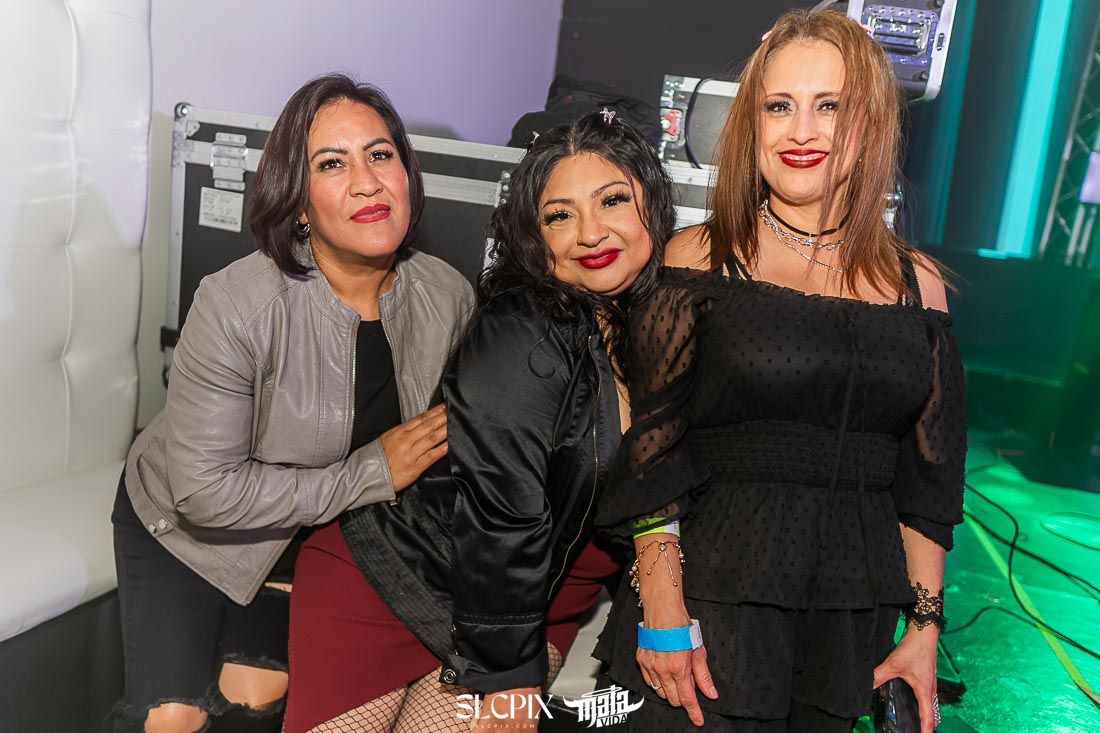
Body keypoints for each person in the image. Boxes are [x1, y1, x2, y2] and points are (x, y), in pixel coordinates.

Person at [594, 9, 966, 733]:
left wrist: (923, 630)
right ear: (752, 124)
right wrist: (663, 609)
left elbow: (929, 482)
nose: (801, 131)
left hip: (849, 616)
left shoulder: (918, 286)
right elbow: (651, 450)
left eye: (829, 106)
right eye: (779, 106)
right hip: (711, 600)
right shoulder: (698, 259)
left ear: (870, 123)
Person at [283, 111, 676, 733]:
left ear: (651, 203)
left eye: (613, 200)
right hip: (395, 578)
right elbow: (502, 507)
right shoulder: (523, 328)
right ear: (534, 238)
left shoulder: (665, 322)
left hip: (534, 600)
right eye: (560, 215)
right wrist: (509, 677)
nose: (590, 232)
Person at [110, 74, 473, 733]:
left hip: (317, 534)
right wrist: (372, 472)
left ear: (407, 175)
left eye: (380, 154)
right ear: (299, 205)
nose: (366, 182)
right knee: (173, 719)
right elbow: (203, 492)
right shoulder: (236, 303)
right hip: (189, 528)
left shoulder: (447, 296)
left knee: (255, 699)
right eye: (332, 164)